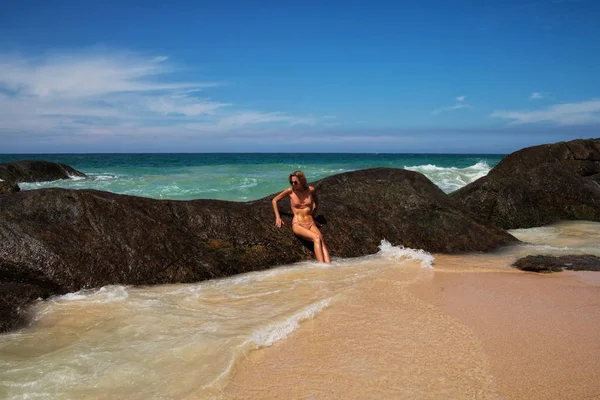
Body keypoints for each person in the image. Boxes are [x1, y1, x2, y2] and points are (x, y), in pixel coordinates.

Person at [272, 170, 331, 263]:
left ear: (302, 181)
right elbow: (274, 200)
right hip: (298, 224)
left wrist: (313, 215)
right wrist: (278, 217)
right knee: (316, 237)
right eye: (291, 182)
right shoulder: (290, 191)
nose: (293, 184)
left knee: (321, 239)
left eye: (295, 182)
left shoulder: (311, 190)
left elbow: (316, 202)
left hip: (311, 222)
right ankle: (322, 267)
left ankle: (329, 266)